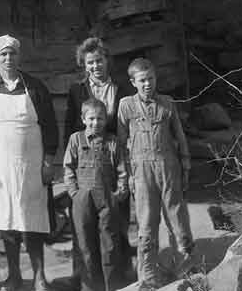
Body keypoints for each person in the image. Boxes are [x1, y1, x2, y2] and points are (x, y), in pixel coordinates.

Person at [0, 34, 58, 291]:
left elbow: (50, 126)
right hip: (1, 166)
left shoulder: (35, 86)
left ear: (19, 57)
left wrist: (48, 161)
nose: (9, 59)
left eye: (13, 54)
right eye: (3, 55)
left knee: (33, 220)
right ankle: (14, 276)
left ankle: (40, 276)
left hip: (32, 163)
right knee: (7, 220)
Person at [117, 58, 193, 291]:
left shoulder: (167, 103)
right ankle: (148, 277)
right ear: (133, 82)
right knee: (147, 223)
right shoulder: (126, 105)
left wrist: (186, 163)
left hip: (168, 166)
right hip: (141, 171)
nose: (148, 83)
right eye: (142, 80)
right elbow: (121, 143)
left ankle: (183, 268)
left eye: (151, 78)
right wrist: (125, 174)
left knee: (177, 218)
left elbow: (179, 135)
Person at [63, 38, 130, 279]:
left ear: (107, 61)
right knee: (83, 228)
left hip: (113, 158)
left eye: (99, 60)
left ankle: (118, 276)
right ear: (84, 64)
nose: (95, 66)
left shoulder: (122, 89)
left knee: (114, 224)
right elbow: (70, 126)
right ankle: (84, 279)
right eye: (90, 62)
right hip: (84, 162)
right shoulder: (76, 90)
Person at [64, 99, 128, 291]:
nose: (96, 123)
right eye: (91, 118)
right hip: (82, 198)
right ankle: (90, 287)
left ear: (106, 120)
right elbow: (68, 168)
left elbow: (122, 169)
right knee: (85, 244)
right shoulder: (76, 139)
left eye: (100, 118)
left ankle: (112, 285)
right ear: (83, 119)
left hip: (107, 197)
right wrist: (74, 192)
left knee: (109, 243)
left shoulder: (113, 142)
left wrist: (120, 191)